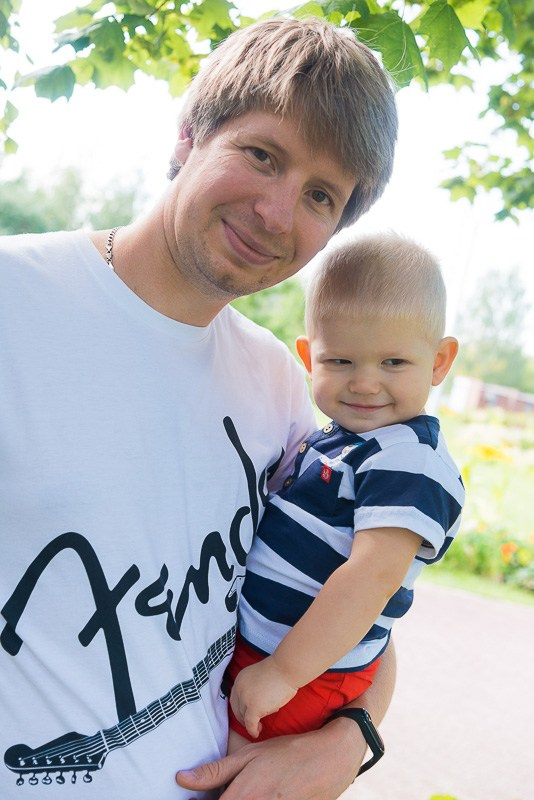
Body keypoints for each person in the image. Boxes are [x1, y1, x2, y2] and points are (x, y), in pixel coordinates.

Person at [0, 17, 398, 800]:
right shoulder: (15, 301)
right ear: (189, 136)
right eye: (262, 155)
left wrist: (352, 741)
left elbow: (356, 596)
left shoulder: (280, 383)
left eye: (320, 195)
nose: (277, 213)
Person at [226, 233, 464, 750]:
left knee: (245, 771)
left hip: (307, 671)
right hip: (269, 653)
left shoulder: (409, 460)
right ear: (309, 357)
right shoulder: (340, 440)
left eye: (393, 363)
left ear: (439, 361)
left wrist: (283, 673)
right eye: (340, 362)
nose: (364, 383)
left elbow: (372, 577)